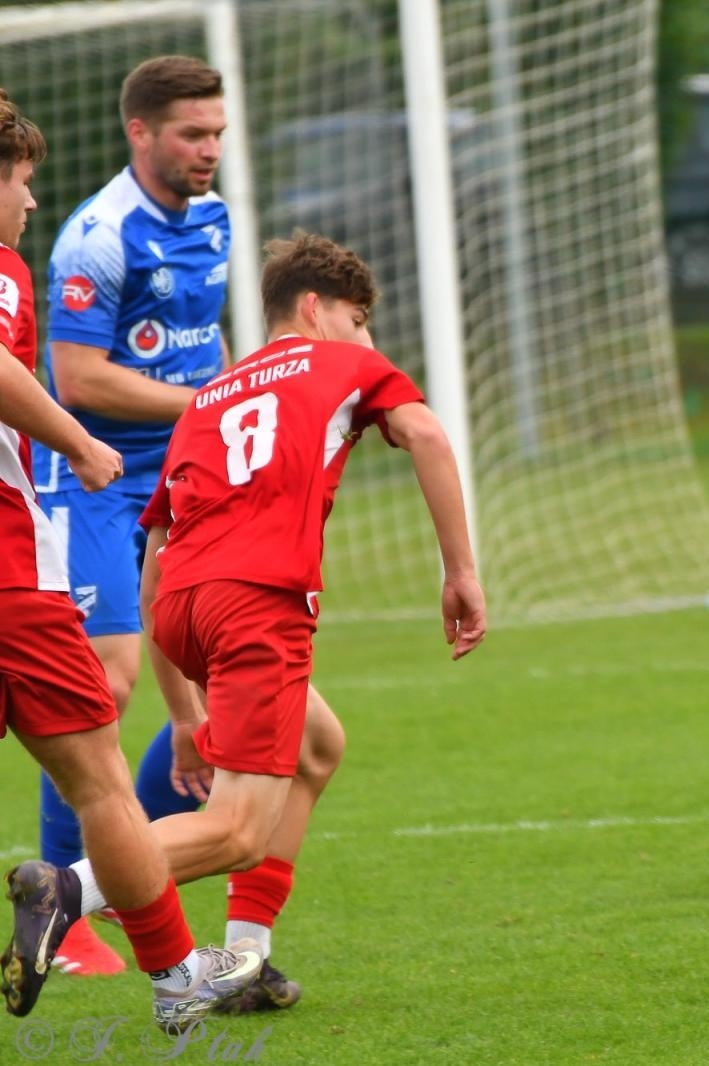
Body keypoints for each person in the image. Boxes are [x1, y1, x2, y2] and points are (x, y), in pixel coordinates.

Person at [45, 233, 484, 1006]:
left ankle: (245, 960)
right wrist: (461, 573)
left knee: (319, 746)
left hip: (183, 603)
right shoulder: (347, 364)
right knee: (238, 828)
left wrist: (183, 712)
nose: (367, 338)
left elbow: (156, 548)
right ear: (314, 308)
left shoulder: (212, 393)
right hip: (257, 603)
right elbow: (425, 433)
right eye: (359, 318)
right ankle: (68, 892)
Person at [0, 85, 260, 1032]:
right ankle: (83, 914)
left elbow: (207, 342)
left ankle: (113, 883)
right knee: (105, 697)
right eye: (193, 133)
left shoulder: (218, 218)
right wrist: (183, 410)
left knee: (208, 675)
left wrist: (222, 409)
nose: (210, 149)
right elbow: (67, 377)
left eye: (218, 133)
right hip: (84, 486)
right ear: (139, 130)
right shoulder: (86, 240)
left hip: (179, 472)